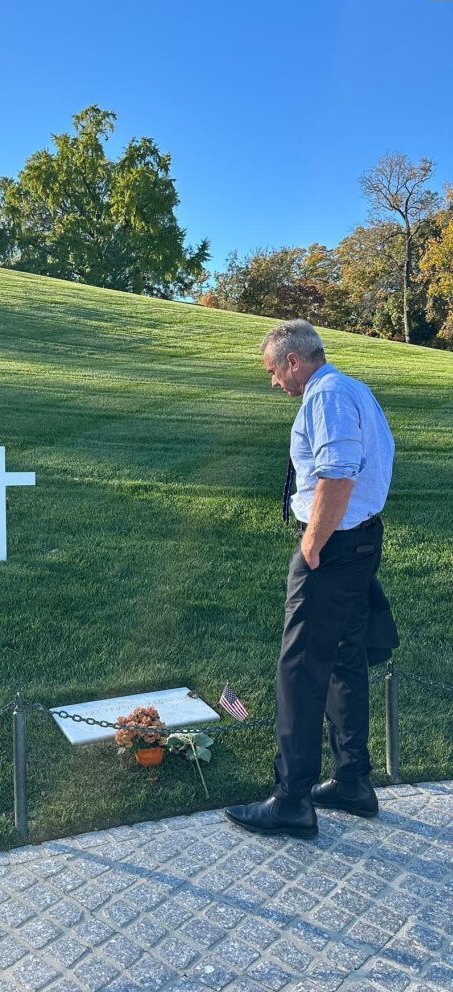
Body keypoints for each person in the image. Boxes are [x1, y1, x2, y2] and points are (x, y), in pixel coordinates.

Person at [225, 320, 395, 839]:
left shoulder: (327, 396)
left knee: (300, 668)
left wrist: (312, 544)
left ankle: (291, 801)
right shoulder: (353, 388)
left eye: (273, 372)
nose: (273, 382)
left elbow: (338, 473)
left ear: (293, 362)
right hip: (359, 541)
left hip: (335, 547)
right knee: (345, 658)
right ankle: (352, 781)